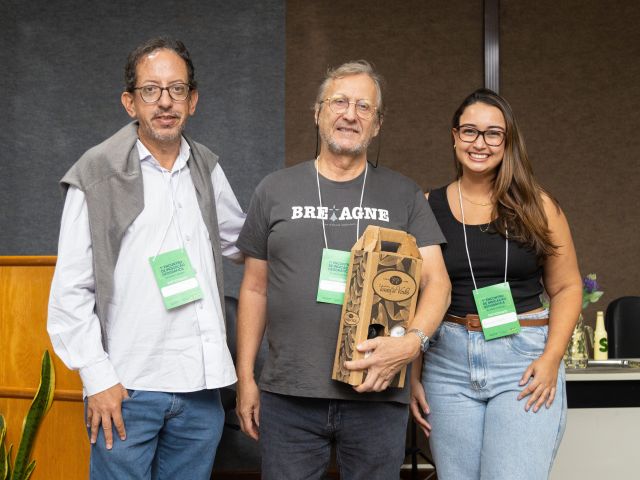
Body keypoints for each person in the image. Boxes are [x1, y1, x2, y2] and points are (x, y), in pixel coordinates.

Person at [235, 60, 451, 480]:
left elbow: (437, 283)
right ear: (317, 113)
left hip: (378, 391)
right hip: (289, 395)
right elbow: (254, 290)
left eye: (364, 107)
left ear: (378, 124)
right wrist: (246, 377)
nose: (350, 114)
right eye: (339, 102)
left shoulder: (404, 194)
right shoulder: (273, 190)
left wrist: (412, 344)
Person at [47, 37, 245, 479]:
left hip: (201, 389)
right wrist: (98, 380)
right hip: (126, 389)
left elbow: (242, 244)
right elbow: (70, 291)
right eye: (150, 90)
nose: (165, 102)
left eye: (177, 89)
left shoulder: (206, 167)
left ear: (192, 100)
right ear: (129, 102)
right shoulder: (96, 172)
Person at [410, 88, 582, 479]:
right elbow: (417, 298)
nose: (479, 143)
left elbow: (567, 287)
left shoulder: (539, 207)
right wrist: (413, 375)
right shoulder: (424, 206)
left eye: (492, 134)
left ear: (507, 142)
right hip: (447, 364)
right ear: (454, 136)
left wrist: (552, 358)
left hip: (522, 360)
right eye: (469, 131)